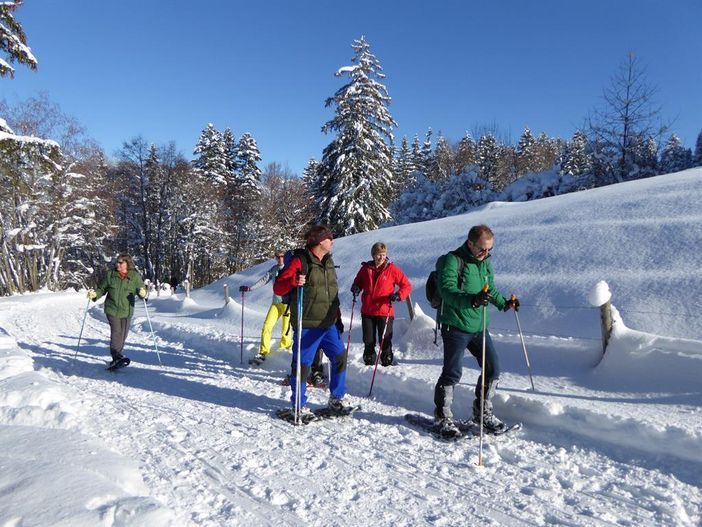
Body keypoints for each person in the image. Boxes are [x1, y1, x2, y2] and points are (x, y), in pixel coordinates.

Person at [433, 224, 520, 437]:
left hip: (479, 326)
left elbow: (490, 289)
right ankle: (443, 417)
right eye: (482, 249)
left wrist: (504, 304)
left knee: (493, 368)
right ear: (470, 243)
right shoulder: (452, 260)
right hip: (455, 325)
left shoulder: (485, 263)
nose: (486, 253)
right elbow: (447, 291)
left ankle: (482, 413)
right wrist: (472, 299)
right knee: (453, 372)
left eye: (489, 249)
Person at [273, 225, 350, 416]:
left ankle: (336, 399)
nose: (333, 241)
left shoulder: (329, 262)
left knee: (339, 357)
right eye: (330, 238)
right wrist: (293, 281)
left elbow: (331, 294)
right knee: (302, 365)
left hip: (329, 322)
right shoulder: (300, 261)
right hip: (307, 323)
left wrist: (337, 317)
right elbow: (278, 288)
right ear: (320, 241)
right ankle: (298, 405)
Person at [351, 242, 412, 367]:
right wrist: (356, 288)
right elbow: (357, 282)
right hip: (367, 310)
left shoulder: (392, 269)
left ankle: (387, 361)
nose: (381, 257)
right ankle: (369, 361)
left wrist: (398, 295)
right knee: (368, 339)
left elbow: (406, 285)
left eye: (384, 255)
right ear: (373, 255)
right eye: (379, 255)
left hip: (385, 310)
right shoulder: (365, 269)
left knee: (385, 339)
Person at [87, 254, 147, 367]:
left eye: (120, 262)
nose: (117, 264)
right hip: (112, 308)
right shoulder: (110, 275)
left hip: (127, 310)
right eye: (117, 262)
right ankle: (116, 355)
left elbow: (141, 289)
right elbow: (101, 289)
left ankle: (117, 355)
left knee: (123, 335)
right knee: (116, 332)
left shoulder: (134, 276)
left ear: (127, 264)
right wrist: (95, 294)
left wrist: (143, 293)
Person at [240, 250, 293, 363]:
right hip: (276, 303)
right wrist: (250, 288)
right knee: (267, 326)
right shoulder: (274, 269)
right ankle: (263, 352)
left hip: (287, 304)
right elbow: (264, 280)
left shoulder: (289, 268)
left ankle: (285, 351)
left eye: (282, 256)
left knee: (286, 330)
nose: (280, 259)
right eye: (277, 257)